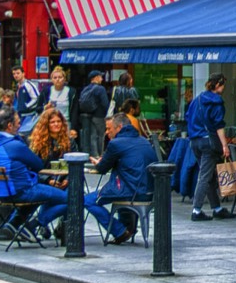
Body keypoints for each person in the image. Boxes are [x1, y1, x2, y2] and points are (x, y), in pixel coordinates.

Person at [0, 108, 68, 238]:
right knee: (72, 199)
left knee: (40, 193)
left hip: (1, 192)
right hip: (21, 191)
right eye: (18, 122)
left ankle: (13, 225)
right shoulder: (14, 145)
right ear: (10, 126)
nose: (20, 125)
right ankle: (32, 225)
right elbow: (38, 165)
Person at [87, 113, 157, 244]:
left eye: (109, 129)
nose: (107, 132)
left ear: (119, 127)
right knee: (120, 189)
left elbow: (102, 169)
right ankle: (129, 228)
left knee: (87, 200)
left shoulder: (116, 143)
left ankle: (119, 230)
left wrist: (98, 163)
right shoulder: (143, 140)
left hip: (132, 192)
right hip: (149, 192)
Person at [186, 72, 236, 221]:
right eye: (223, 85)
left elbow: (188, 117)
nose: (224, 88)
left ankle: (217, 208)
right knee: (205, 176)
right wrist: (225, 145)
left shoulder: (198, 99)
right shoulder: (216, 101)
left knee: (209, 176)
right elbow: (219, 125)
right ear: (218, 85)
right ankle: (196, 210)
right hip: (208, 142)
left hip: (194, 141)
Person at [28, 108, 72, 189]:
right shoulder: (37, 143)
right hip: (44, 182)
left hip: (64, 181)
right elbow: (32, 168)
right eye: (52, 122)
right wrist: (48, 180)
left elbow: (73, 164)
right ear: (46, 124)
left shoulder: (70, 141)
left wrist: (67, 180)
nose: (56, 124)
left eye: (59, 121)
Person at [77, 70, 111, 157]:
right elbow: (105, 104)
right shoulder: (101, 89)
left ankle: (94, 154)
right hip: (99, 116)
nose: (102, 79)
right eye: (101, 76)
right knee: (101, 136)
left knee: (93, 136)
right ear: (96, 78)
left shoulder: (85, 88)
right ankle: (100, 154)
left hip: (89, 115)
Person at [42, 67, 79, 139]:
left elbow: (75, 111)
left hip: (66, 123)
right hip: (50, 123)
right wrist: (45, 107)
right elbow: (38, 108)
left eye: (60, 77)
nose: (57, 79)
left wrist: (73, 128)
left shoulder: (71, 92)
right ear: (52, 79)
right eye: (55, 77)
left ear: (64, 79)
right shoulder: (46, 91)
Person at [11, 65, 44, 136]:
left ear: (23, 73)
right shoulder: (18, 86)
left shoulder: (28, 85)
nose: (16, 75)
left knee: (26, 135)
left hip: (30, 115)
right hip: (21, 115)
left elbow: (37, 98)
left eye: (18, 73)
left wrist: (27, 106)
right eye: (14, 74)